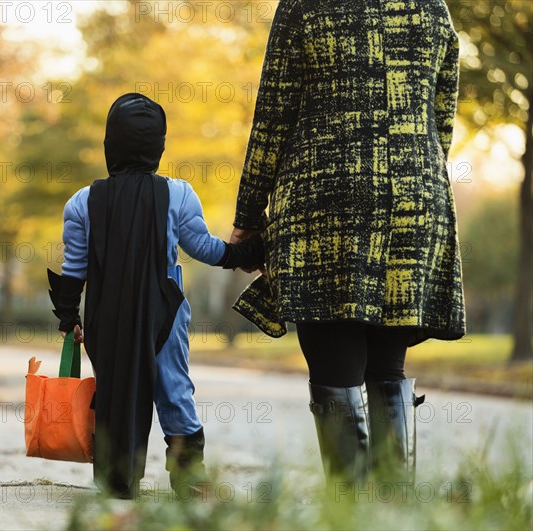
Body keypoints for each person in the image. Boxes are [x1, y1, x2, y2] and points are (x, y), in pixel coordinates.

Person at [230, 0, 466, 487]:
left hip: (326, 197)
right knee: (387, 363)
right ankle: (393, 510)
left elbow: (274, 116)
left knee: (335, 355)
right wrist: (409, 170)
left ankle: (351, 508)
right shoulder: (431, 9)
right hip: (412, 198)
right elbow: (442, 122)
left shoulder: (305, 6)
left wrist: (248, 218)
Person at [48, 93, 264, 499]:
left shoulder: (82, 202)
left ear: (110, 142)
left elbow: (73, 269)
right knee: (173, 386)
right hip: (162, 311)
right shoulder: (178, 194)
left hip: (104, 317)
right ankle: (189, 478)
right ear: (158, 146)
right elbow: (203, 248)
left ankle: (116, 479)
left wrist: (68, 317)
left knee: (114, 388)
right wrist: (244, 253)